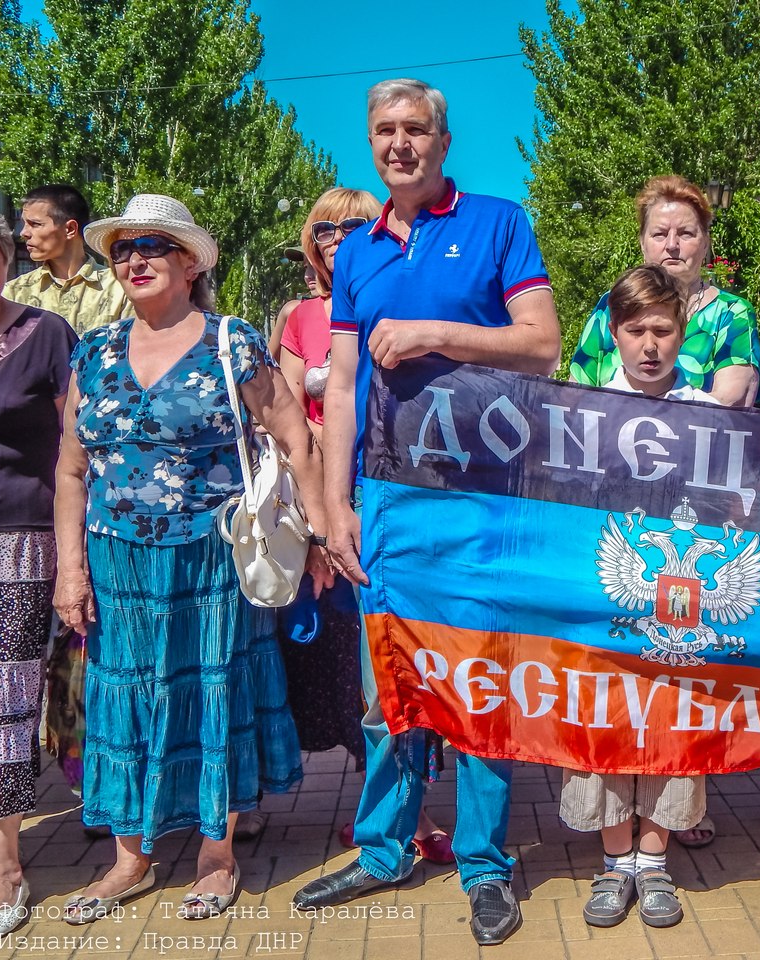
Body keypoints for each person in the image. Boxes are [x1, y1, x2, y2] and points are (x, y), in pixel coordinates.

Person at [298, 79, 559, 948]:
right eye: (384, 130)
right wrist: (335, 508)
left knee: (479, 684)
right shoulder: (359, 250)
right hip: (386, 500)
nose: (399, 143)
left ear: (443, 141)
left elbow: (542, 343)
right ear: (369, 143)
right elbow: (339, 388)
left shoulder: (497, 221)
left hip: (481, 496)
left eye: (415, 129)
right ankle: (384, 848)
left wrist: (434, 334)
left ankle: (486, 864)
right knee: (389, 691)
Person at [52, 193, 329, 923]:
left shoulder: (231, 342)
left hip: (213, 559)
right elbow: (72, 470)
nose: (134, 259)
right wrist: (71, 569)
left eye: (151, 246)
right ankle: (129, 860)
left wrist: (324, 531)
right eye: (121, 250)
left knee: (211, 696)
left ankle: (216, 855)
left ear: (187, 261)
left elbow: (295, 440)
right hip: (118, 565)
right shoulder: (94, 352)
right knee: (125, 704)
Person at [276, 187, 452, 862]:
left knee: (402, 663)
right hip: (332, 509)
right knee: (354, 672)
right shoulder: (300, 319)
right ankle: (382, 806)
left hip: (399, 503)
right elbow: (289, 428)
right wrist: (319, 523)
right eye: (326, 228)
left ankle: (417, 807)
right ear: (311, 241)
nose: (341, 237)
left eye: (356, 225)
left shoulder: (400, 299)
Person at [564, 266, 713, 930]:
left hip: (681, 604)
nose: (649, 344)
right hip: (605, 597)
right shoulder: (582, 412)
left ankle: (655, 862)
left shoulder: (709, 415)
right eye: (635, 330)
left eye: (662, 329)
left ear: (682, 332)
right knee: (604, 723)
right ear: (614, 333)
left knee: (670, 725)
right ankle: (613, 860)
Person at [0, 208, 78, 941]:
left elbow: (76, 446)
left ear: (7, 261)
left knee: (4, 700)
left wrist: (74, 554)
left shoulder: (44, 333)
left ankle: (5, 861)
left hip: (15, 537)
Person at [570, 175, 760, 409]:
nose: (672, 245)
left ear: (705, 243)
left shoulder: (732, 313)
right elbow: (576, 395)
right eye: (660, 234)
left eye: (686, 233)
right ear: (643, 243)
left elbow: (731, 402)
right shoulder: (610, 304)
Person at [4, 185, 130, 334]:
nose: (24, 233)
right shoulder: (13, 293)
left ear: (70, 229)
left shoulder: (120, 288)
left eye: (35, 224)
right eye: (25, 224)